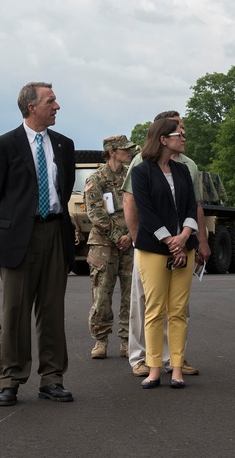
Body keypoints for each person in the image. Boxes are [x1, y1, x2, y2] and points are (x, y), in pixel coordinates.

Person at [0, 81, 76, 407]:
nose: (57, 106)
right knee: (15, 312)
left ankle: (52, 379)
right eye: (51, 101)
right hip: (19, 236)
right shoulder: (4, 144)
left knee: (52, 312)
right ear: (31, 106)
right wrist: (16, 222)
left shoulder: (64, 145)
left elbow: (63, 192)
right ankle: (10, 380)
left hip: (55, 234)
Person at [121, 110, 209, 378]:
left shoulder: (186, 168)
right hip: (152, 247)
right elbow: (140, 208)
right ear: (162, 138)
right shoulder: (140, 168)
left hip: (184, 244)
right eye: (178, 132)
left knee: (178, 311)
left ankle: (176, 366)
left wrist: (186, 238)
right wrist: (165, 241)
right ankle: (148, 364)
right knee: (152, 308)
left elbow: (192, 207)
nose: (183, 135)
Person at [82, 135, 135, 359]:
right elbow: (95, 212)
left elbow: (140, 207)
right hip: (104, 245)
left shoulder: (131, 178)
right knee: (102, 295)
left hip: (130, 243)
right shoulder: (96, 179)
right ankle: (101, 340)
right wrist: (117, 235)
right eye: (125, 149)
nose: (129, 152)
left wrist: (131, 235)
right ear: (112, 152)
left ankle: (126, 341)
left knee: (131, 295)